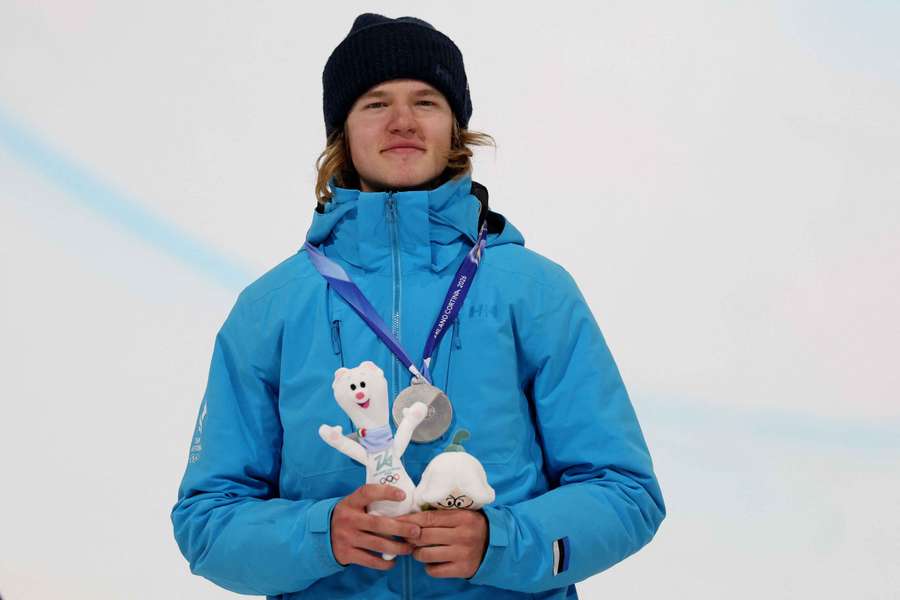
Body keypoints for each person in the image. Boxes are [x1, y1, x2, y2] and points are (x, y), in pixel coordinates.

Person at [171, 13, 665, 599]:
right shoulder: (269, 309)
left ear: (455, 128)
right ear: (342, 132)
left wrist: (503, 541)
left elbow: (625, 492)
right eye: (375, 103)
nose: (402, 121)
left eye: (426, 101)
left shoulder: (535, 292)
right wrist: (319, 533)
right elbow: (207, 522)